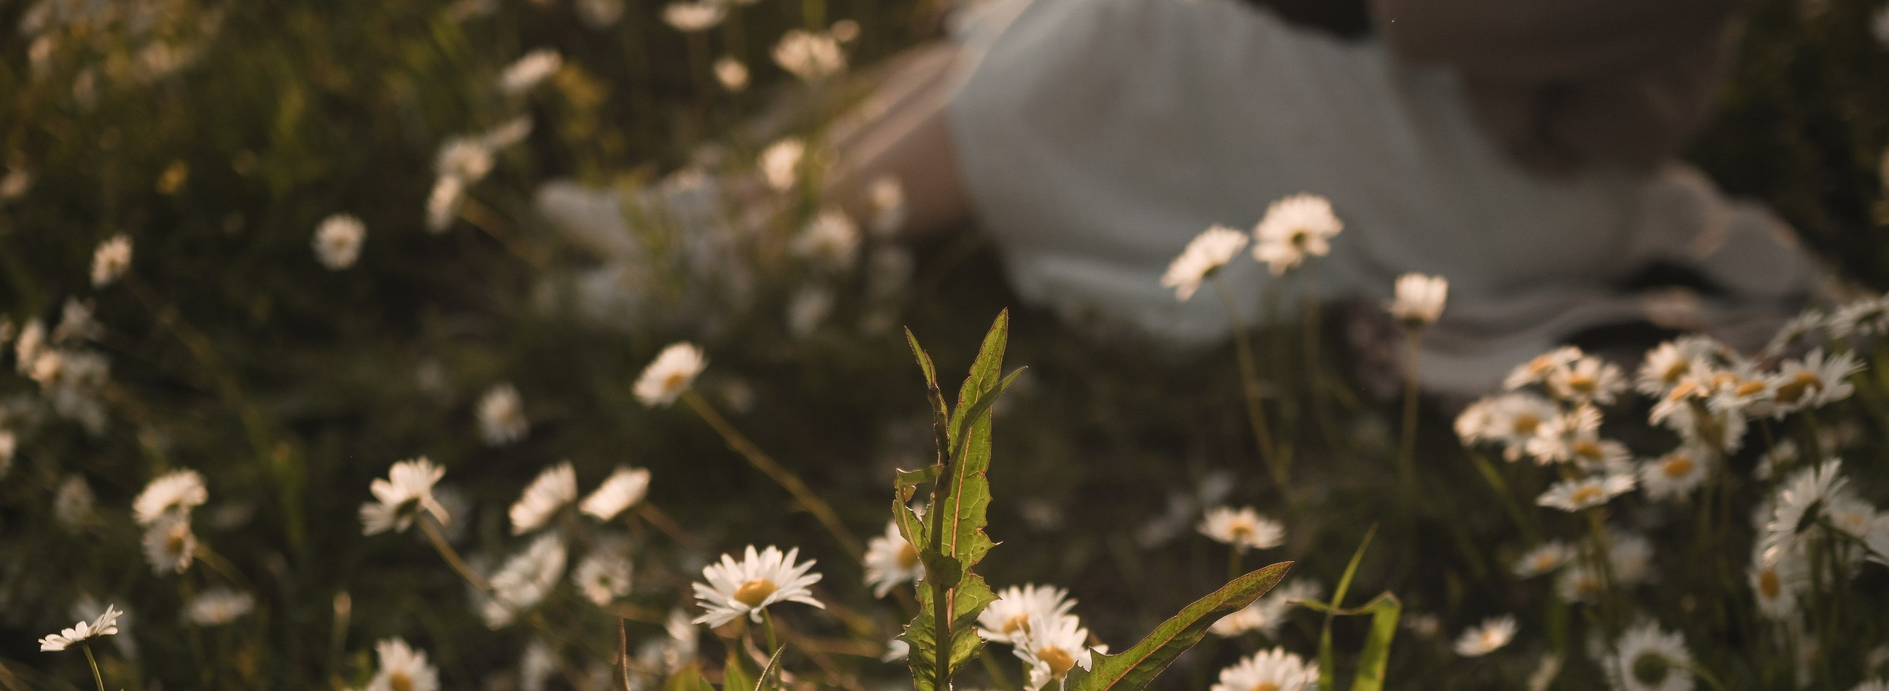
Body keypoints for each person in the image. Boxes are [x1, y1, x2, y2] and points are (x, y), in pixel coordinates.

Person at [543, 0, 1813, 394]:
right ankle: (736, 217)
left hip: (1516, 183)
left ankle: (751, 251)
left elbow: (1410, 16)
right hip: (1445, 117)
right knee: (1078, 25)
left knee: (1128, 27)